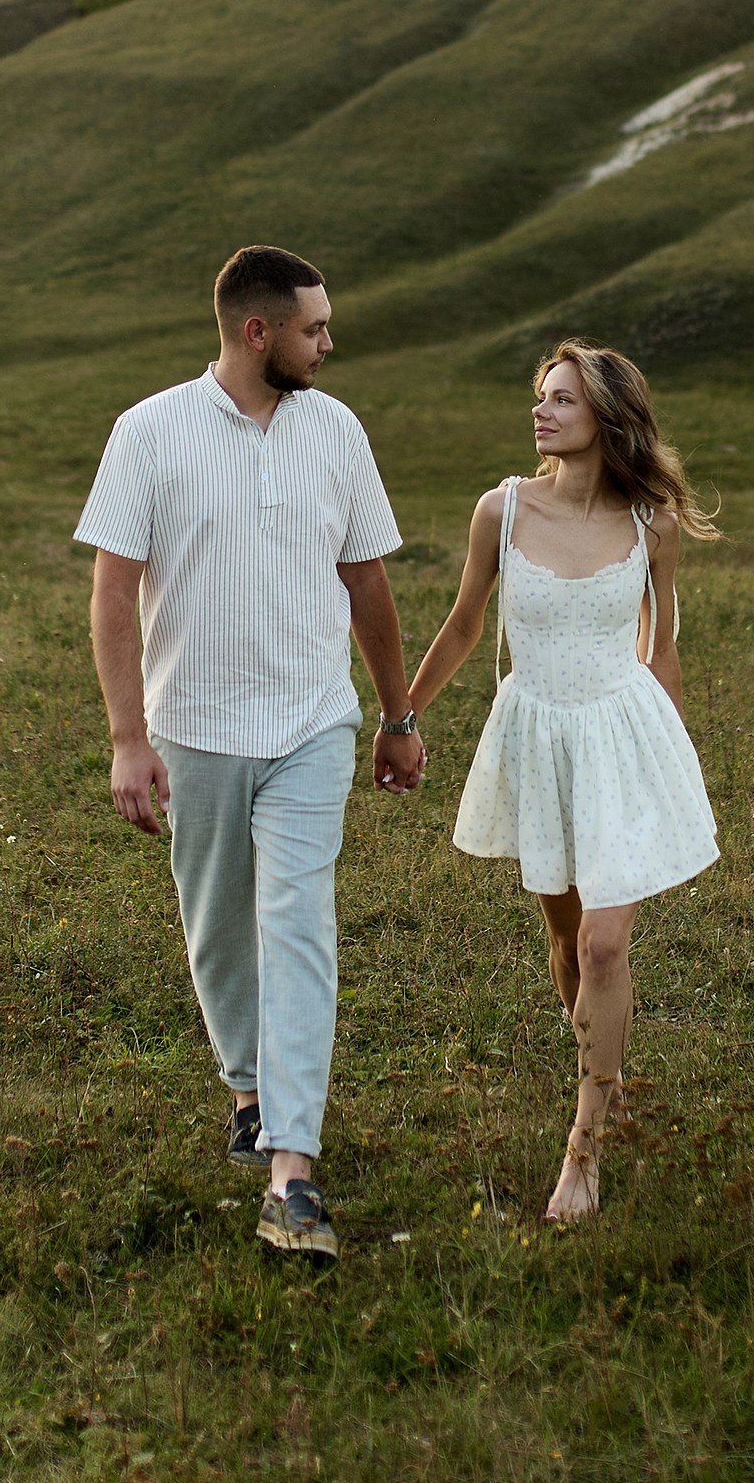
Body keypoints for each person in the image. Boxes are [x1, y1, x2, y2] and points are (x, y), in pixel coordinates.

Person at [76, 245, 425, 1263]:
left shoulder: (336, 430)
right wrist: (127, 739)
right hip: (193, 729)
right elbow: (111, 593)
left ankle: (292, 1174)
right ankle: (247, 1088)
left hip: (311, 725)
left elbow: (364, 582)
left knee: (298, 925)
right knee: (220, 926)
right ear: (256, 332)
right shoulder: (148, 432)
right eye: (315, 328)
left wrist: (395, 716)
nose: (330, 342)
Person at [406, 341, 718, 1223]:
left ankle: (583, 1150)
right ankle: (605, 1074)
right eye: (540, 399)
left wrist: (674, 759)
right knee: (567, 938)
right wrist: (404, 714)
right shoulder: (500, 511)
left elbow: (663, 648)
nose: (540, 413)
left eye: (562, 401)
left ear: (608, 418)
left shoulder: (651, 525)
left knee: (605, 947)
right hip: (539, 738)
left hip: (623, 740)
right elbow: (466, 625)